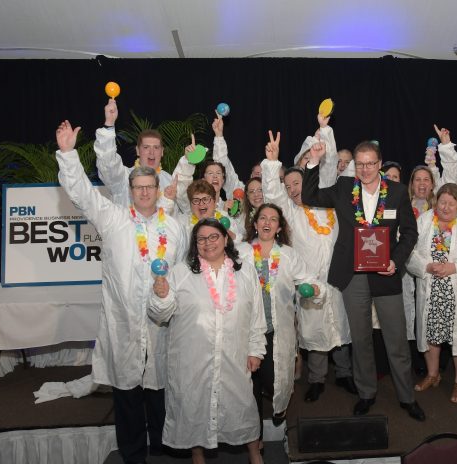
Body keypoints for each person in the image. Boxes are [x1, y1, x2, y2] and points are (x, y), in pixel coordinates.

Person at [55, 120, 188, 463]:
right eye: (138, 187)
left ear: (158, 190)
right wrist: (69, 155)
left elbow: (183, 275)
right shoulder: (112, 218)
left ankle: (164, 450)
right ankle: (132, 454)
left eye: (149, 187)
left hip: (161, 326)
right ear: (130, 190)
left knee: (160, 393)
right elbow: (81, 193)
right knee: (127, 395)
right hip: (124, 326)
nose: (144, 192)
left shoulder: (173, 228)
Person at [302, 139, 426, 421]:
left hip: (386, 273)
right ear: (355, 166)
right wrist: (312, 161)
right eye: (361, 164)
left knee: (396, 340)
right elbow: (309, 196)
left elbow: (409, 233)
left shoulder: (396, 192)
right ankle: (366, 393)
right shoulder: (344, 188)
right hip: (353, 274)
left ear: (380, 164)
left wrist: (396, 259)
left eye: (372, 163)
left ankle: (407, 397)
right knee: (360, 339)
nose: (367, 169)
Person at [149, 219, 265, 464]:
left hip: (233, 356)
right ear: (195, 244)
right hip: (193, 359)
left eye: (214, 236)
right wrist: (160, 296)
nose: (208, 242)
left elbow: (256, 315)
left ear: (225, 239)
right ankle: (197, 457)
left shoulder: (245, 272)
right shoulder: (180, 272)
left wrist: (256, 349)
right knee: (193, 408)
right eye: (201, 238)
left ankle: (255, 454)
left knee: (243, 405)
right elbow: (161, 314)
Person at [260, 131, 353, 403]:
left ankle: (345, 374)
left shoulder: (327, 203)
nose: (292, 190)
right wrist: (272, 163)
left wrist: (323, 134)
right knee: (313, 330)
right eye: (287, 186)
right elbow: (273, 194)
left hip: (337, 276)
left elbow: (327, 170)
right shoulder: (289, 212)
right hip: (309, 280)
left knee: (341, 326)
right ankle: (316, 380)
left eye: (296, 183)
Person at [243, 203, 322, 440]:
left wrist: (313, 289)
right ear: (255, 224)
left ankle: (279, 408)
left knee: (274, 379)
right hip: (245, 332)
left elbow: (309, 280)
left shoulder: (288, 254)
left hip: (277, 331)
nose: (267, 223)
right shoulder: (240, 252)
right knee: (248, 387)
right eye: (263, 218)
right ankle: (254, 439)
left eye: (273, 219)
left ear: (279, 227)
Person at [406, 184, 457, 403]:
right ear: (436, 202)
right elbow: (410, 250)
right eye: (442, 202)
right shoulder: (424, 220)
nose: (446, 207)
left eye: (451, 203)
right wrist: (426, 266)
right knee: (431, 331)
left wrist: (455, 267)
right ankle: (433, 375)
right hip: (431, 287)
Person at [94, 98, 191, 212]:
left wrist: (189, 162)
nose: (151, 152)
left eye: (156, 147)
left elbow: (183, 214)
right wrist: (109, 124)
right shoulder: (123, 178)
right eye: (146, 147)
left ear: (162, 151)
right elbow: (108, 163)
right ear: (138, 151)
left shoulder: (170, 181)